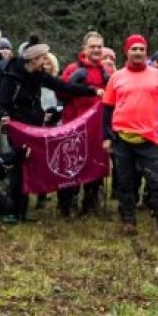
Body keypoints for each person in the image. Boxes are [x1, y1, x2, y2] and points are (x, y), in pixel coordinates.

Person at [0, 35, 101, 222]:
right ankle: (13, 210)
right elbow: (2, 103)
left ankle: (24, 209)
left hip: (34, 124)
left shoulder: (38, 75)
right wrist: (5, 117)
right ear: (34, 59)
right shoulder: (11, 77)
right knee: (19, 166)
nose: (46, 61)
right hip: (17, 126)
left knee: (30, 165)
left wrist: (92, 91)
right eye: (43, 58)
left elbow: (63, 86)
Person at [101, 34, 158, 242]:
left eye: (141, 49)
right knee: (125, 183)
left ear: (146, 52)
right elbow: (107, 109)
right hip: (122, 139)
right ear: (126, 51)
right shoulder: (116, 77)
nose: (137, 52)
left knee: (157, 183)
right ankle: (128, 220)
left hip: (150, 139)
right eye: (133, 49)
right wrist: (106, 137)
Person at [57, 30, 112, 217]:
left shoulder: (106, 71)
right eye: (92, 47)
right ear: (84, 48)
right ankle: (66, 204)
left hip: (97, 127)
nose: (96, 50)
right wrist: (78, 86)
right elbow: (61, 94)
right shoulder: (73, 69)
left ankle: (90, 204)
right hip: (74, 124)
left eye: (99, 47)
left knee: (95, 165)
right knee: (71, 165)